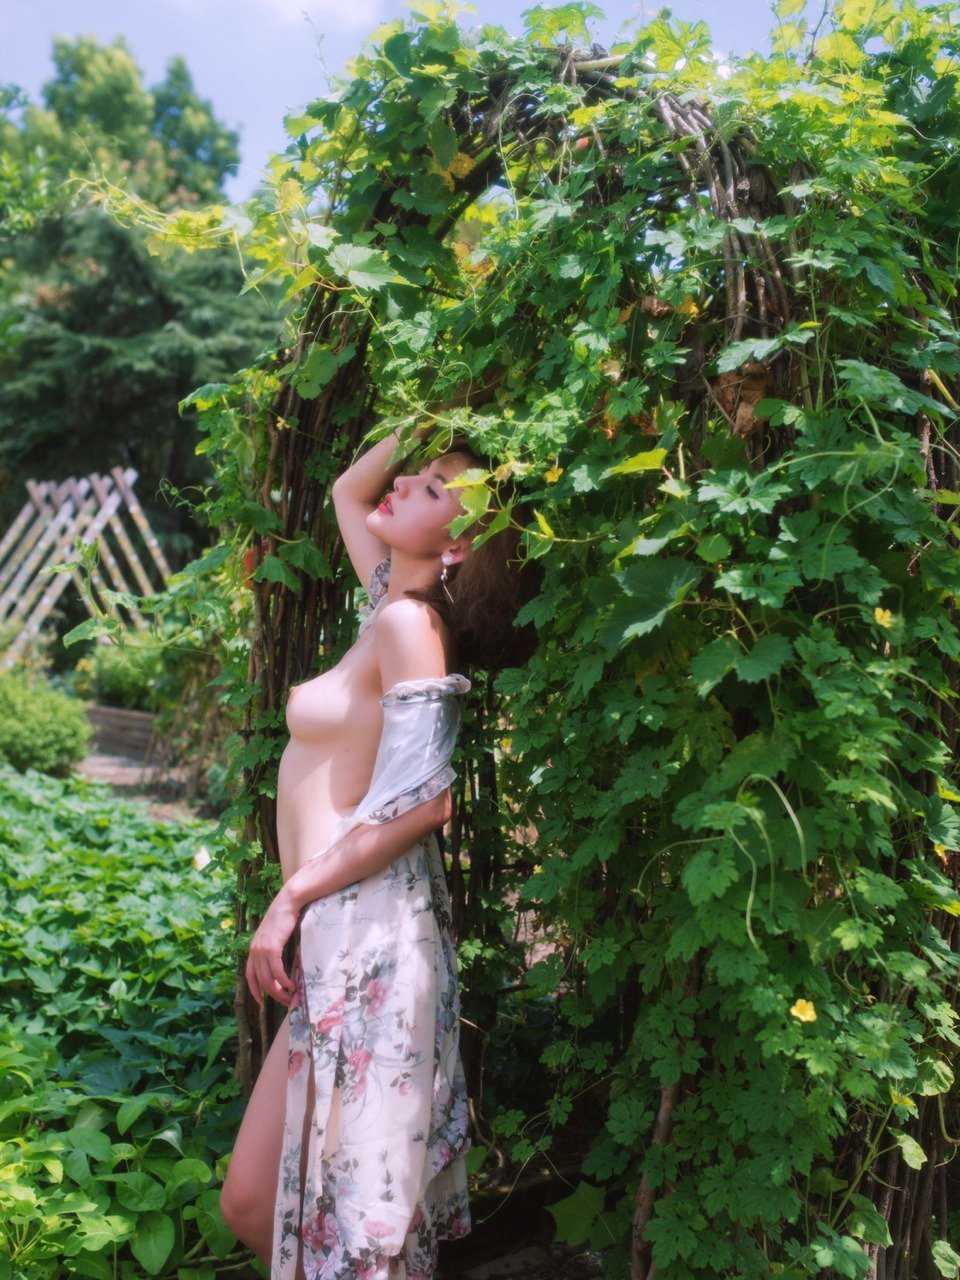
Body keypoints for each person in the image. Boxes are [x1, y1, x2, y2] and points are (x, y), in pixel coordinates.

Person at [219, 422, 537, 1280]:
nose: (404, 484)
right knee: (262, 1205)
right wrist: (435, 413)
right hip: (342, 936)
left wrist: (291, 897)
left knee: (340, 1227)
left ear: (459, 545)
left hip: (369, 936)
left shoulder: (407, 625)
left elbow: (428, 801)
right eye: (419, 472)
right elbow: (349, 492)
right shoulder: (387, 605)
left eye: (432, 489)